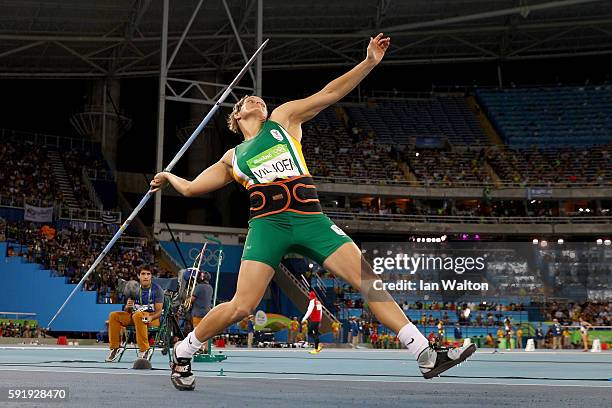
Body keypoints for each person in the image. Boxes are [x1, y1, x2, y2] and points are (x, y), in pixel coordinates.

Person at [151, 33, 476, 391]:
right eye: (247, 100)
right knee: (242, 306)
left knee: (370, 282)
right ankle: (184, 350)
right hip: (268, 227)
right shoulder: (232, 158)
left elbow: (330, 94)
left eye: (258, 97)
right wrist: (169, 177)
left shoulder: (283, 121)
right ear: (237, 115)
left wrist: (368, 62)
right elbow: (193, 187)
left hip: (311, 221)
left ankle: (425, 354)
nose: (257, 99)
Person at [105, 265, 164, 362]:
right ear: (138, 275)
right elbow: (127, 311)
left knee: (138, 315)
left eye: (148, 274)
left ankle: (145, 350)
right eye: (143, 274)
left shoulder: (157, 290)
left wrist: (151, 317)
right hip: (135, 317)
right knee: (114, 315)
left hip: (151, 318)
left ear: (151, 276)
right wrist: (127, 307)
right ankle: (115, 348)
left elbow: (158, 312)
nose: (145, 276)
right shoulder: (133, 287)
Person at [190, 271, 213, 353]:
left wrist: (187, 298)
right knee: (206, 331)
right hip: (207, 313)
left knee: (197, 332)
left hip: (198, 313)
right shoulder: (210, 287)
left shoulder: (199, 287)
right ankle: (205, 347)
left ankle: (198, 348)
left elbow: (192, 299)